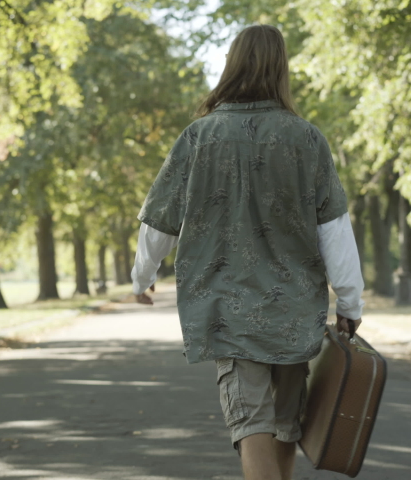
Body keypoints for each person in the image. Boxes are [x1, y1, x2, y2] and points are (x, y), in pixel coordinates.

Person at [131, 24, 364, 480]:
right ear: (282, 69)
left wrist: (142, 277)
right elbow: (334, 229)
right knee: (285, 424)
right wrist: (351, 302)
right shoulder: (307, 139)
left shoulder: (199, 138)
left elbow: (159, 220)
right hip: (295, 311)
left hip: (228, 310)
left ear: (231, 64)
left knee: (252, 421)